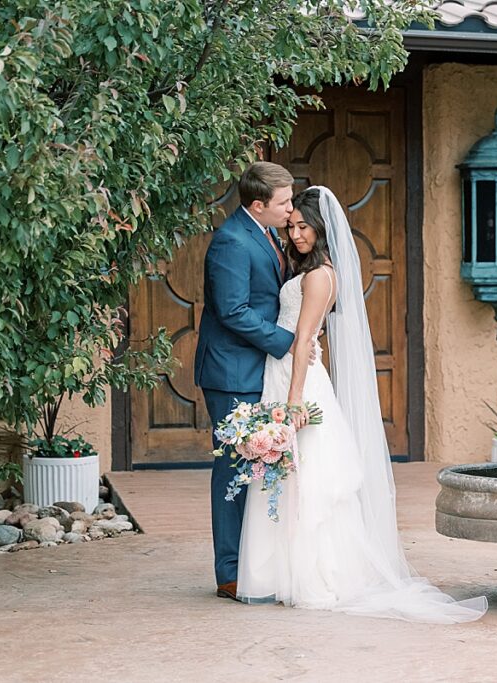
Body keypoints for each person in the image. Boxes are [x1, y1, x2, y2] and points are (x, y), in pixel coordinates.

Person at [235, 187, 487, 623]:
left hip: (298, 381)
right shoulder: (314, 270)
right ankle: (278, 574)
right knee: (286, 475)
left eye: (303, 227)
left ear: (322, 229)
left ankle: (314, 575)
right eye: (292, 226)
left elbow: (304, 339)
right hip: (284, 372)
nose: (295, 234)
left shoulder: (319, 275)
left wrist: (293, 401)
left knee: (306, 477)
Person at [194, 162, 297, 600]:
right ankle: (230, 573)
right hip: (231, 373)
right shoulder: (231, 242)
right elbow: (233, 311)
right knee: (234, 470)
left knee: (259, 467)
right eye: (285, 202)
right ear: (259, 205)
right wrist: (287, 342)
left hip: (257, 369)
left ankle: (258, 565)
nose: (291, 210)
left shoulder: (268, 234)